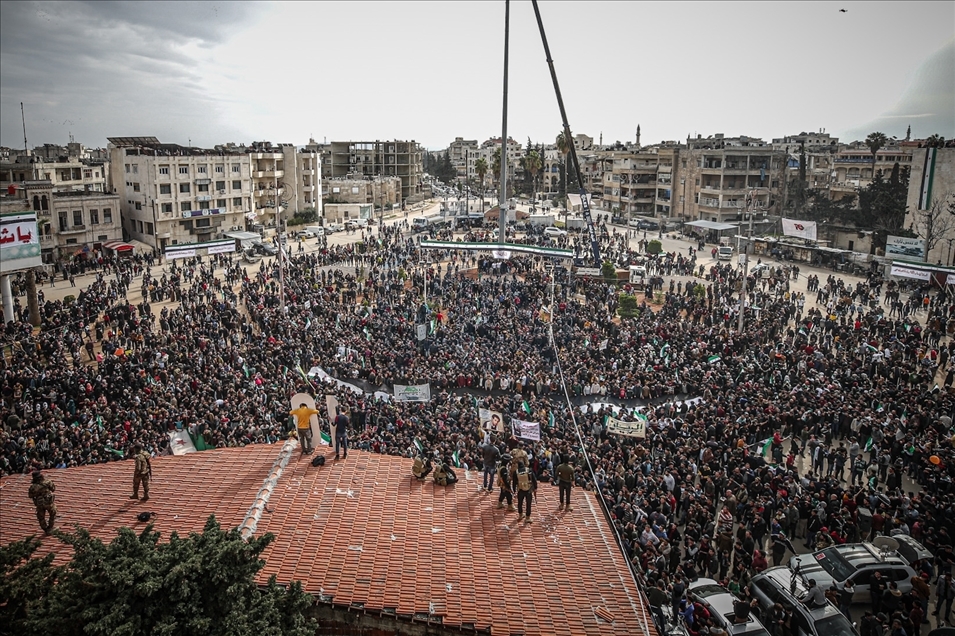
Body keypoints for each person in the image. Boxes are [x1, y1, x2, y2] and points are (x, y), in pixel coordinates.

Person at [28, 470, 56, 535]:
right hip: (48, 502)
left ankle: (45, 529)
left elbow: (30, 495)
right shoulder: (47, 482)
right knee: (53, 513)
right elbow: (53, 489)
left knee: (41, 517)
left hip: (39, 503)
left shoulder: (32, 487)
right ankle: (50, 527)